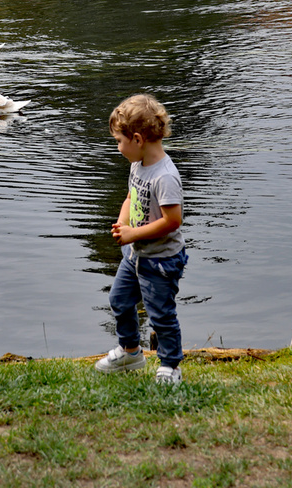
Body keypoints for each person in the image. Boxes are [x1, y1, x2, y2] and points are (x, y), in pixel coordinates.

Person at [94, 94, 187, 386]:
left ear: (137, 139)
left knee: (161, 315)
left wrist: (134, 233)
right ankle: (131, 351)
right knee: (119, 300)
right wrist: (123, 223)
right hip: (136, 255)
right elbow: (131, 197)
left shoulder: (165, 176)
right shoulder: (138, 165)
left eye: (119, 141)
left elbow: (173, 221)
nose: (118, 148)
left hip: (161, 260)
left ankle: (171, 365)